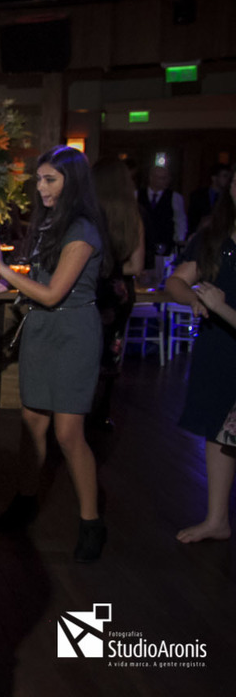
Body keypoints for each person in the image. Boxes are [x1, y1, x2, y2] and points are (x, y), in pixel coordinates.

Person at [0, 147, 110, 562]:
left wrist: (1, 270)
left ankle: (91, 523)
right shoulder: (51, 223)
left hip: (72, 333)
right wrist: (3, 287)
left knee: (68, 434)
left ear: (72, 181)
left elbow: (54, 294)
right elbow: (39, 280)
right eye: (38, 180)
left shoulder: (84, 229)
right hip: (41, 329)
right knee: (32, 421)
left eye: (49, 179)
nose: (40, 187)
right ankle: (25, 500)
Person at [165, 169, 236, 542]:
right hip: (218, 345)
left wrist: (219, 307)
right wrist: (194, 298)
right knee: (217, 429)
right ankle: (216, 519)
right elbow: (175, 280)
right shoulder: (214, 238)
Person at [90, 157, 145, 430]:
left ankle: (78, 411)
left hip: (93, 286)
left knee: (86, 349)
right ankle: (102, 412)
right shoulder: (132, 215)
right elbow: (136, 265)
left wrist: (101, 266)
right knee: (112, 350)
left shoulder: (89, 215)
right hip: (120, 290)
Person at [137, 164, 186, 269]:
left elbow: (180, 219)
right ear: (151, 178)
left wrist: (179, 238)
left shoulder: (175, 197)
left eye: (167, 178)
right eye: (162, 178)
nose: (166, 181)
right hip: (141, 242)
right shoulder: (137, 195)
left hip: (164, 243)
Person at [188, 163, 232, 235]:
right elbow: (192, 219)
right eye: (225, 176)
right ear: (214, 178)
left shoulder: (230, 197)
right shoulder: (198, 195)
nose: (227, 180)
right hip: (202, 235)